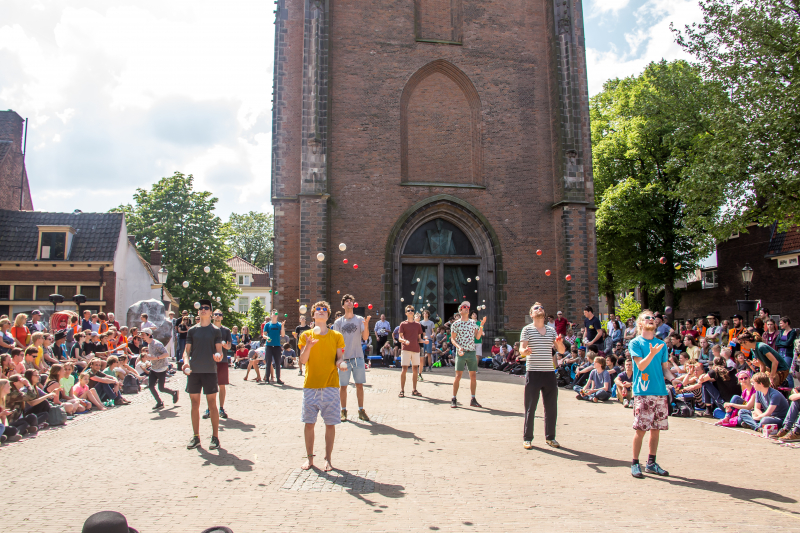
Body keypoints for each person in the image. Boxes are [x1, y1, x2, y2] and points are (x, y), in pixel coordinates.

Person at [298, 301, 345, 472]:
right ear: (313, 315)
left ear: (328, 315)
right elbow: (302, 361)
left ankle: (328, 459)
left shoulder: (336, 336)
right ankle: (310, 459)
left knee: (330, 424)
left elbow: (339, 358)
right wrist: (309, 346)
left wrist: (341, 364)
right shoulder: (306, 336)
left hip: (331, 386)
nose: (321, 311)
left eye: (324, 310)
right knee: (309, 423)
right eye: (317, 310)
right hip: (310, 386)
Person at [628, 310, 674, 478]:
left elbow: (665, 370)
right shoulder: (635, 343)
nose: (651, 319)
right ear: (640, 323)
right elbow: (640, 366)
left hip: (660, 391)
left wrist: (673, 380)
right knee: (640, 429)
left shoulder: (661, 345)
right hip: (643, 391)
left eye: (653, 318)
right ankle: (635, 463)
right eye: (647, 318)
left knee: (656, 429)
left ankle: (651, 463)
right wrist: (652, 353)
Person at [519, 302, 566, 449]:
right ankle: (527, 438)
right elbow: (521, 348)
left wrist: (559, 344)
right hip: (533, 373)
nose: (540, 309)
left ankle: (550, 437)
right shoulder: (527, 330)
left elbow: (562, 351)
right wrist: (524, 351)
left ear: (544, 314)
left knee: (551, 407)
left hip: (549, 373)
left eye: (542, 308)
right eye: (536, 308)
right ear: (531, 314)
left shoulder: (551, 331)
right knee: (530, 407)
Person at [183, 299, 224, 451]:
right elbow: (187, 351)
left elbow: (219, 349)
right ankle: (196, 437)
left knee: (212, 404)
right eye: (201, 308)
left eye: (206, 308)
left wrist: (218, 355)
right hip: (194, 371)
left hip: (209, 370)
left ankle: (215, 437)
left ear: (211, 312)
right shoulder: (192, 330)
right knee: (194, 404)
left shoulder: (215, 330)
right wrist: (186, 362)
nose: (203, 310)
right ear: (198, 311)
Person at [331, 294, 371, 422]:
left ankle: (361, 410)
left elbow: (365, 337)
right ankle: (343, 410)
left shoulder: (359, 319)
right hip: (344, 359)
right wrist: (339, 359)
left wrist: (367, 324)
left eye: (351, 301)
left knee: (359, 385)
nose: (349, 303)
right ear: (343, 305)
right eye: (347, 301)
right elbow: (336, 343)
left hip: (358, 357)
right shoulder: (338, 322)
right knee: (343, 386)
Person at [448, 302, 486, 408]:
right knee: (458, 376)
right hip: (461, 352)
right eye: (464, 307)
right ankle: (454, 398)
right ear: (460, 310)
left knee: (473, 376)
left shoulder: (473, 323)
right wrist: (459, 347)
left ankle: (473, 399)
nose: (467, 309)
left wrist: (481, 326)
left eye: (468, 307)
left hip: (472, 351)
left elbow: (477, 337)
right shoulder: (456, 324)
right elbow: (452, 339)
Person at [140, 328, 178, 410]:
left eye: (143, 334)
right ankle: (159, 402)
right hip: (154, 368)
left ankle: (174, 393)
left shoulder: (157, 344)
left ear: (148, 335)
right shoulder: (149, 344)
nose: (141, 336)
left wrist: (155, 358)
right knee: (151, 386)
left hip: (161, 369)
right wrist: (149, 362)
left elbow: (166, 354)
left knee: (161, 388)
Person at [398, 305, 426, 398]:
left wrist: (424, 341)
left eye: (412, 310)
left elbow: (419, 339)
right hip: (406, 349)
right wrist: (404, 341)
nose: (410, 311)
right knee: (404, 369)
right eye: (409, 310)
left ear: (413, 313)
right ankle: (402, 390)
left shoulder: (418, 325)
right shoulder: (403, 324)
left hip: (416, 349)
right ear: (406, 313)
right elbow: (399, 338)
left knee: (415, 369)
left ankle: (414, 389)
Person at [263, 311, 285, 385]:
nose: (275, 315)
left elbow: (282, 335)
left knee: (277, 363)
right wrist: (267, 337)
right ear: (271, 315)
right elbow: (264, 335)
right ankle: (267, 379)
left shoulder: (279, 325)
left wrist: (282, 326)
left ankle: (278, 379)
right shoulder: (267, 325)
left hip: (277, 346)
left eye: (276, 314)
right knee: (268, 362)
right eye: (274, 314)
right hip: (269, 346)